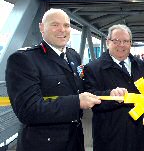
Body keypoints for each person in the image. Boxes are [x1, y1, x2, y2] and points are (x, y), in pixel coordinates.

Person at [5, 8, 101, 151]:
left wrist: (109, 93)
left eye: (67, 25)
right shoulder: (24, 59)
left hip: (74, 141)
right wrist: (77, 102)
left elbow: (83, 88)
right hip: (43, 144)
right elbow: (28, 110)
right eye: (55, 25)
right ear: (42, 28)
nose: (62, 30)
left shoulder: (73, 56)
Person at [83, 24, 144, 151]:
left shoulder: (141, 65)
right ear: (108, 42)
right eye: (116, 41)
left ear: (130, 43)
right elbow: (89, 96)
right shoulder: (93, 68)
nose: (121, 45)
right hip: (111, 136)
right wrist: (110, 95)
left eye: (126, 41)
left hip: (142, 134)